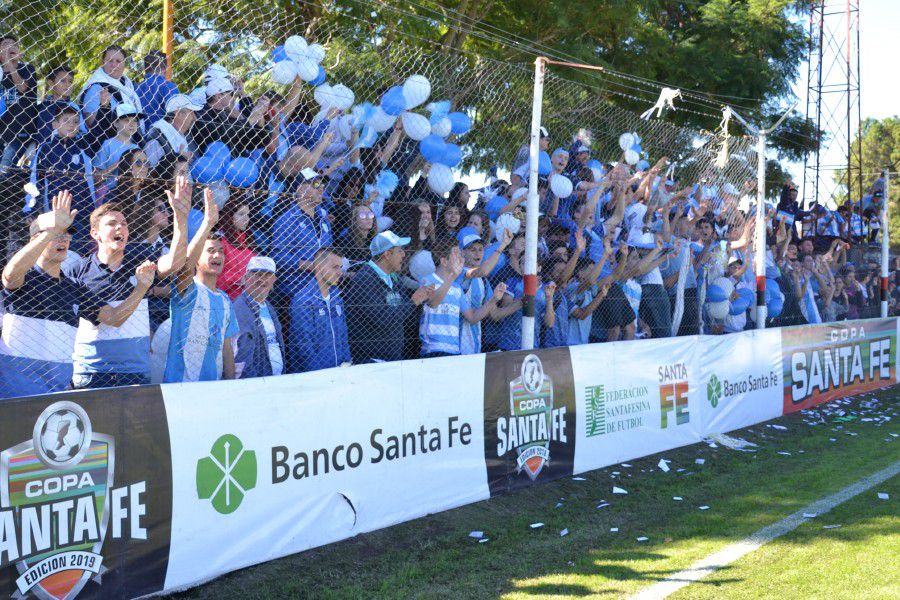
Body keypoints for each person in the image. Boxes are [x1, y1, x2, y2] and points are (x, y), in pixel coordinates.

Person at [65, 177, 191, 388]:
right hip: (93, 373)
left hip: (136, 373)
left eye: (123, 224)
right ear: (94, 233)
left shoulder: (140, 257)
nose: (120, 228)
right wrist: (141, 287)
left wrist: (180, 219)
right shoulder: (78, 270)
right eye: (112, 223)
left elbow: (176, 263)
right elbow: (114, 319)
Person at [1, 191, 83, 397]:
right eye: (57, 234)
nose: (63, 239)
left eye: (66, 233)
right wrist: (51, 230)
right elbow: (10, 276)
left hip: (56, 398)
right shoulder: (24, 276)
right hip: (15, 398)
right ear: (36, 238)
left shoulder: (74, 287)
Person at [164, 188, 238, 382]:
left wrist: (231, 385)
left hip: (212, 389)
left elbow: (226, 349)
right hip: (181, 386)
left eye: (221, 251)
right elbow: (185, 266)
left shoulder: (225, 300)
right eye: (211, 251)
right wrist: (207, 223)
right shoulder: (189, 289)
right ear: (197, 259)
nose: (218, 256)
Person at [344, 230, 431, 363]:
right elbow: (384, 319)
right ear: (387, 254)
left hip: (392, 358)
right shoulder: (365, 279)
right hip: (369, 360)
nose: (404, 255)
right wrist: (414, 301)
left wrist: (423, 299)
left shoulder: (394, 278)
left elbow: (403, 315)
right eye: (400, 251)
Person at [419, 237, 507, 357]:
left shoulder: (457, 287)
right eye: (457, 256)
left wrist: (494, 299)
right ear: (444, 261)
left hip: (454, 350)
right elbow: (433, 303)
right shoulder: (428, 280)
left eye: (481, 249)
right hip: (432, 349)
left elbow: (472, 317)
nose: (461, 259)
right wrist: (501, 247)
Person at [26, 106, 95, 238]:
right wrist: (30, 210)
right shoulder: (46, 149)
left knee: (77, 251)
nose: (71, 125)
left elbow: (90, 184)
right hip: (53, 213)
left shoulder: (82, 149)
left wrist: (92, 212)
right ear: (55, 125)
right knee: (55, 249)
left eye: (75, 121)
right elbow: (35, 180)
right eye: (66, 121)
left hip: (81, 213)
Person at [272, 168, 333, 298]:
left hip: (323, 288)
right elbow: (278, 256)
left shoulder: (324, 220)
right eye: (315, 185)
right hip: (296, 290)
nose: (321, 188)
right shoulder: (287, 220)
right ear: (300, 189)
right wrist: (309, 265)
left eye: (322, 185)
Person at [289, 247, 351, 372]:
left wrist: (347, 367)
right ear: (318, 267)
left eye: (340, 267)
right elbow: (305, 348)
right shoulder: (304, 301)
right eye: (334, 267)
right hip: (314, 379)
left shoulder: (337, 299)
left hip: (340, 374)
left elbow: (343, 339)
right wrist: (322, 377)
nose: (339, 272)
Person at [232, 256, 285, 379]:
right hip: (257, 384)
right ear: (245, 278)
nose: (262, 279)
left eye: (267, 275)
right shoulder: (240, 309)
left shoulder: (268, 307)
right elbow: (241, 357)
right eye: (256, 274)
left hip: (276, 379)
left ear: (274, 280)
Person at [0, 35, 38, 171]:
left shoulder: (27, 68)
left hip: (19, 131)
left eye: (14, 44)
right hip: (2, 130)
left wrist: (9, 64)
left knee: (4, 168)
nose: (10, 46)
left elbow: (22, 87)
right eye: (5, 44)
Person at [143, 93, 201, 168]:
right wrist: (179, 159)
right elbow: (150, 172)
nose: (195, 118)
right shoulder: (157, 139)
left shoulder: (178, 135)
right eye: (192, 113)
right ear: (178, 114)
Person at [218, 196, 258, 300]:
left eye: (248, 215)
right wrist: (240, 278)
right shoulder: (219, 241)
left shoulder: (248, 241)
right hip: (227, 298)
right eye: (241, 214)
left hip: (250, 297)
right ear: (230, 216)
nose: (246, 218)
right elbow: (216, 277)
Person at [135, 50, 179, 127]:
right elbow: (176, 116)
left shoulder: (134, 88)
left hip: (136, 134)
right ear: (165, 69)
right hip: (162, 134)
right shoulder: (169, 87)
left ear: (145, 69)